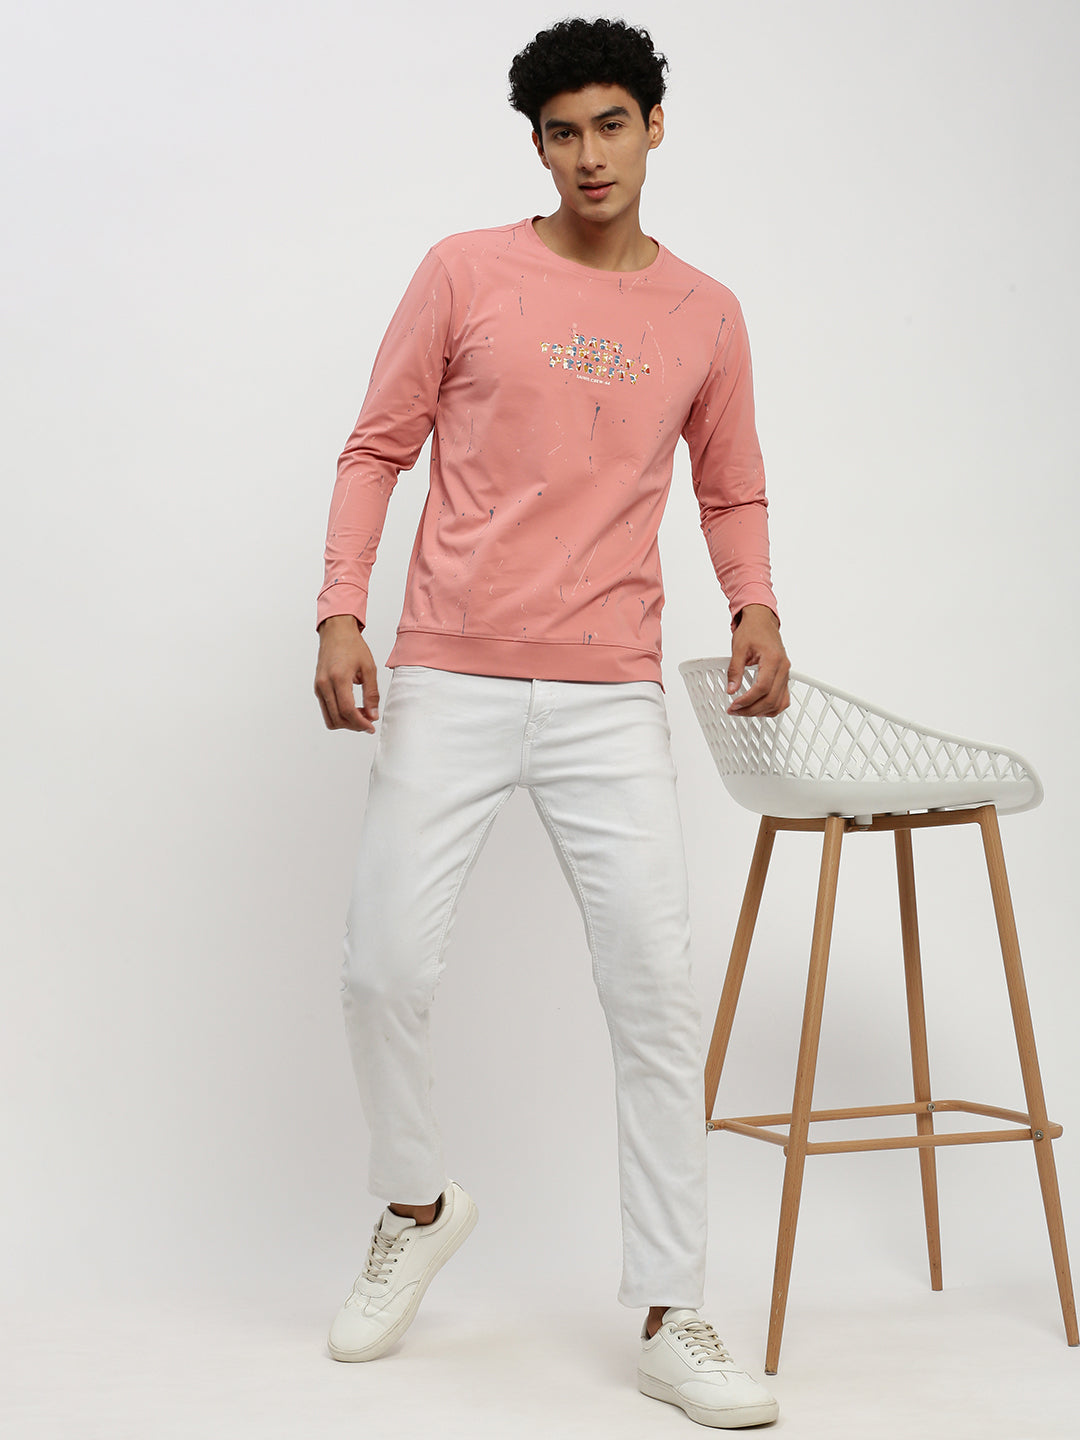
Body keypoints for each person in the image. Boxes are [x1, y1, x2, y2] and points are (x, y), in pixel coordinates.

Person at [313, 16, 790, 1429]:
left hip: (608, 694)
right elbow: (376, 448)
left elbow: (731, 486)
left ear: (655, 127)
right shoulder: (466, 273)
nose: (590, 155)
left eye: (612, 125)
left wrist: (756, 603)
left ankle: (671, 1312)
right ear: (537, 144)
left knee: (654, 995)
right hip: (451, 673)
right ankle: (417, 1205)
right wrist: (340, 610)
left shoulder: (705, 313)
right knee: (380, 969)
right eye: (564, 132)